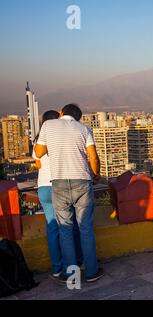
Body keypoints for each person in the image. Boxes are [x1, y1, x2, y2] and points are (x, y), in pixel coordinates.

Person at [34, 104, 103, 283]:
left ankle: (71, 275)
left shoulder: (48, 126)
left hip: (59, 183)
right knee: (85, 229)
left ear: (61, 113)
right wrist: (96, 175)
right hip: (82, 181)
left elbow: (39, 153)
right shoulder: (84, 129)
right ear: (78, 118)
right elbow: (93, 158)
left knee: (64, 230)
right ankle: (91, 272)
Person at [32, 110, 83, 279]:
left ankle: (57, 268)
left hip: (43, 188)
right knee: (71, 225)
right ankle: (77, 262)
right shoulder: (61, 137)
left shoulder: (38, 142)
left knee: (52, 228)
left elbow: (38, 164)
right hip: (59, 185)